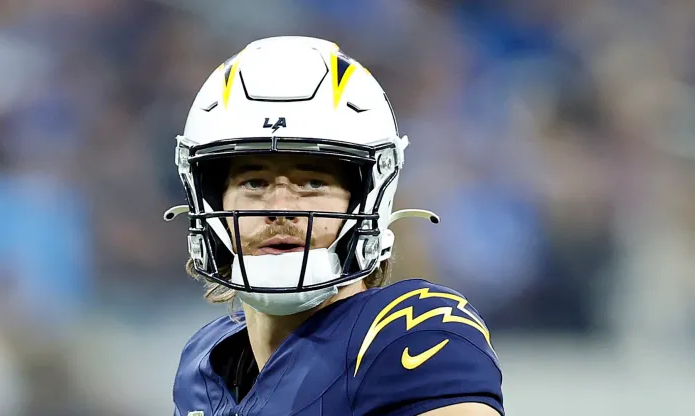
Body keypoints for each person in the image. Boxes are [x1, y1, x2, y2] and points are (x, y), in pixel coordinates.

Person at [164, 36, 504, 416]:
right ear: (210, 201)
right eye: (254, 183)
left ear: (367, 199)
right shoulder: (203, 364)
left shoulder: (410, 331)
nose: (280, 208)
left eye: (312, 183)